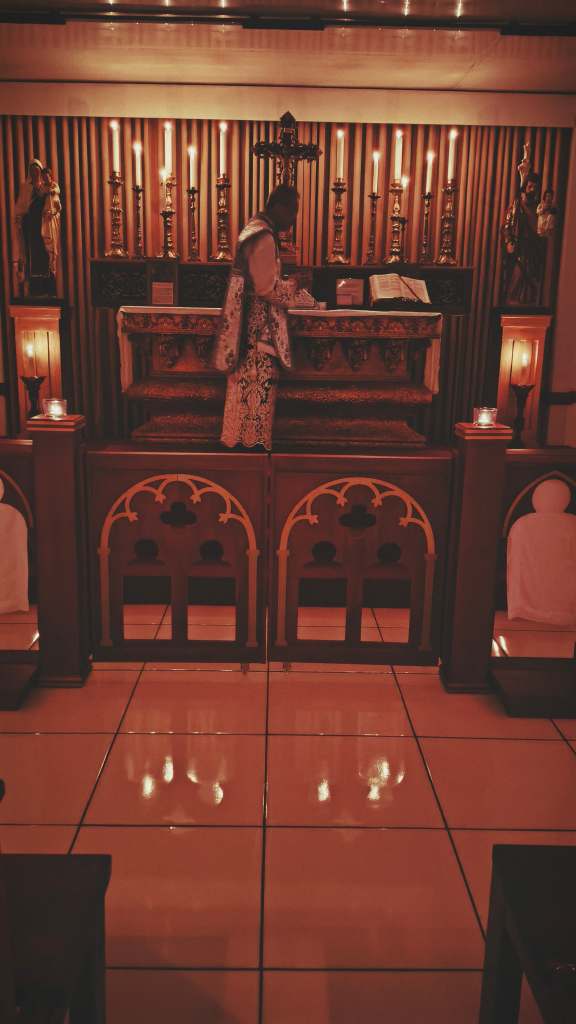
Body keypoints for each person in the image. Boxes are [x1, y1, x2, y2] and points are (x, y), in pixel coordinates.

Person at [214, 184, 315, 450]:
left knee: (245, 391)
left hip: (247, 329)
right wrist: (294, 284)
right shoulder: (264, 236)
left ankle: (243, 443)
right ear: (279, 207)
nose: (293, 219)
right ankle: (251, 450)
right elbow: (265, 288)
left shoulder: (254, 229)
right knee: (255, 390)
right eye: (292, 211)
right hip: (257, 331)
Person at [13, 158, 58, 296]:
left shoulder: (47, 187)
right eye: (32, 171)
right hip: (30, 227)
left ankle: (46, 287)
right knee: (30, 255)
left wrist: (52, 212)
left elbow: (55, 205)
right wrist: (20, 218)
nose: (34, 173)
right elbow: (20, 207)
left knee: (44, 254)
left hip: (43, 227)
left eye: (37, 171)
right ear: (29, 173)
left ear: (40, 172)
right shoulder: (25, 188)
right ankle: (33, 288)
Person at [501, 169, 546, 306]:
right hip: (519, 247)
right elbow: (507, 224)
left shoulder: (539, 208)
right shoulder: (517, 205)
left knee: (532, 279)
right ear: (525, 187)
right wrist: (508, 241)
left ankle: (528, 302)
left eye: (535, 187)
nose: (532, 190)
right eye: (530, 186)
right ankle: (511, 300)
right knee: (518, 273)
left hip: (533, 248)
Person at [40, 166, 61, 276]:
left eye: (46, 177)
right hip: (45, 217)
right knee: (46, 238)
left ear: (50, 176)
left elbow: (57, 191)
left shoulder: (54, 185)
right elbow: (41, 194)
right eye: (43, 177)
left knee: (53, 241)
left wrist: (51, 191)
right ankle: (48, 264)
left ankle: (53, 266)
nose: (45, 179)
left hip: (53, 217)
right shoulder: (43, 187)